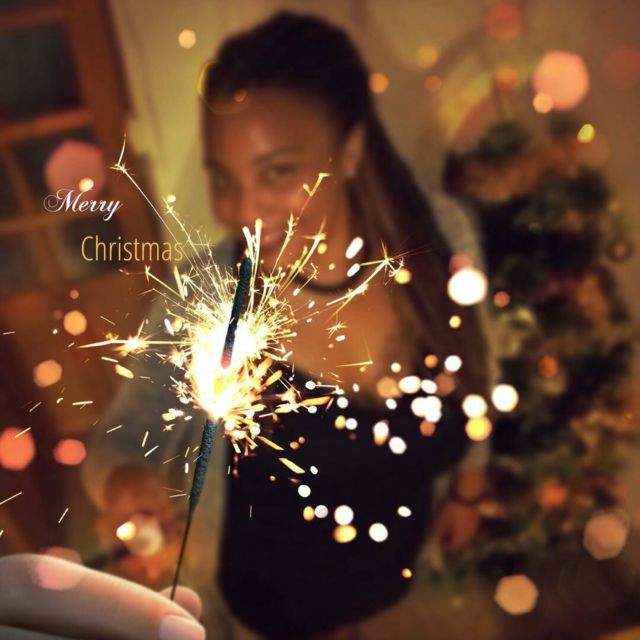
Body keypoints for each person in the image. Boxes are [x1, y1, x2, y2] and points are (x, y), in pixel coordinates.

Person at [0, 11, 496, 640]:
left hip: (392, 563)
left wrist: (467, 489)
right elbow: (119, 444)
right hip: (268, 597)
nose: (242, 211)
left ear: (349, 151)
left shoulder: (440, 236)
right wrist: (127, 484)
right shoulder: (208, 299)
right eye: (223, 179)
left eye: (277, 171)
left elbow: (474, 368)